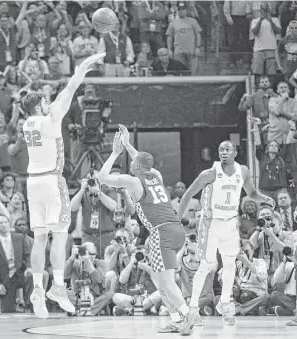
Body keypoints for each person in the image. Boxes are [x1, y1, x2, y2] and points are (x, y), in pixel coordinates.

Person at [21, 52, 105, 319]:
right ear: (39, 105)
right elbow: (70, 89)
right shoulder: (50, 118)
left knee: (39, 238)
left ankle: (37, 288)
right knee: (60, 235)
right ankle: (57, 286)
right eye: (45, 101)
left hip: (32, 182)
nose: (49, 103)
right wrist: (83, 66)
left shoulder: (27, 124)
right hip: (51, 180)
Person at [98, 125, 192, 336]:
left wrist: (115, 152)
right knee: (160, 281)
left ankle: (188, 314)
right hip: (176, 229)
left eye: (133, 161)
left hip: (162, 232)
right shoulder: (156, 175)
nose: (130, 162)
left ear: (137, 166)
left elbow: (103, 177)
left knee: (166, 282)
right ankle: (177, 319)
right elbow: (140, 160)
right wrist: (128, 145)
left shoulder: (133, 180)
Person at [177, 140, 275, 329]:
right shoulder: (210, 173)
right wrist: (176, 220)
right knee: (206, 265)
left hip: (231, 223)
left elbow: (252, 192)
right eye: (221, 149)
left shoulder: (243, 171)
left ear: (235, 152)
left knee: (230, 264)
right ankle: (193, 308)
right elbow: (188, 195)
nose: (224, 152)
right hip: (211, 223)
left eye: (228, 149)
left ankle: (225, 302)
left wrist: (264, 198)